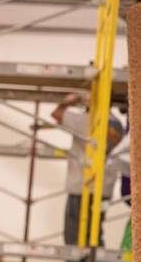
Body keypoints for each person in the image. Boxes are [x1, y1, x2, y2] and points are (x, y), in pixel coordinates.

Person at [51, 92, 125, 247]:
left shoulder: (86, 120)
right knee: (95, 232)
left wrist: (68, 102)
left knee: (74, 235)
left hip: (81, 186)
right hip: (104, 189)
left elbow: (56, 114)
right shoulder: (117, 124)